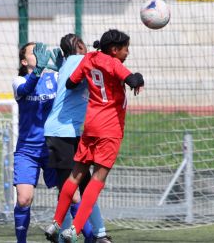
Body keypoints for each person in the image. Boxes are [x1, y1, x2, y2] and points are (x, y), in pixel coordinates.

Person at [45, 29, 144, 243]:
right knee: (97, 180)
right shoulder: (113, 62)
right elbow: (133, 79)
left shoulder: (89, 58)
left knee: (76, 175)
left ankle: (55, 223)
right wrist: (139, 79)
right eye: (125, 49)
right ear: (115, 49)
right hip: (109, 129)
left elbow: (71, 83)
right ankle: (75, 228)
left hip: (90, 126)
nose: (127, 53)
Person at [44, 34, 111, 243]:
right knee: (74, 189)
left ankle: (97, 234)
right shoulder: (81, 61)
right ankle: (89, 234)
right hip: (61, 133)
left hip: (66, 133)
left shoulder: (69, 63)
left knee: (82, 186)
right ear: (80, 45)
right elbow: (102, 67)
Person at [12, 42, 59, 243]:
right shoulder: (18, 80)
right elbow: (25, 88)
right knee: (24, 199)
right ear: (24, 61)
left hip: (53, 147)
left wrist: (63, 68)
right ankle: (21, 241)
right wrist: (38, 71)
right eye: (34, 52)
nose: (41, 54)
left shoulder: (54, 77)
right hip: (27, 150)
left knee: (71, 195)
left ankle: (89, 236)